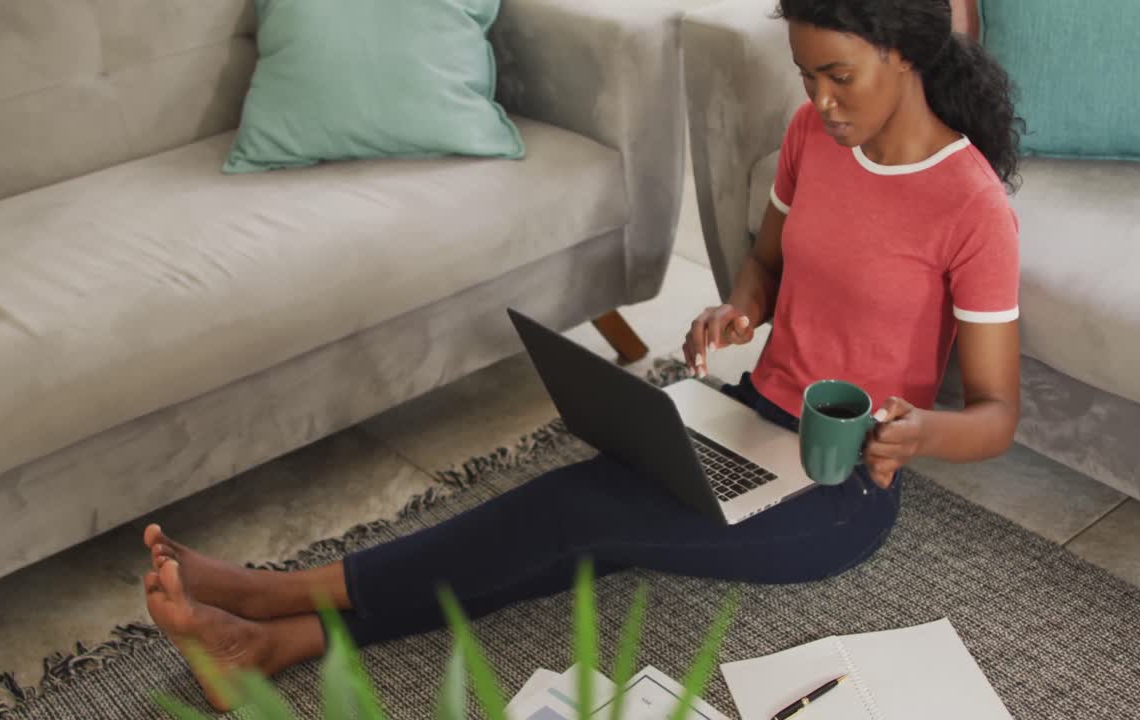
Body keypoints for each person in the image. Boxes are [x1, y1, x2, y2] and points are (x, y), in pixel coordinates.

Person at [141, 0, 1025, 710]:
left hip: (840, 495)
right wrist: (736, 310)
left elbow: (995, 415)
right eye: (807, 75)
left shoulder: (970, 205)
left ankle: (280, 597)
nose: (821, 100)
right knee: (578, 522)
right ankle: (279, 641)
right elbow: (766, 262)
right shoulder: (809, 138)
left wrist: (917, 437)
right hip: (749, 419)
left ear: (907, 52)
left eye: (840, 76)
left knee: (577, 514)